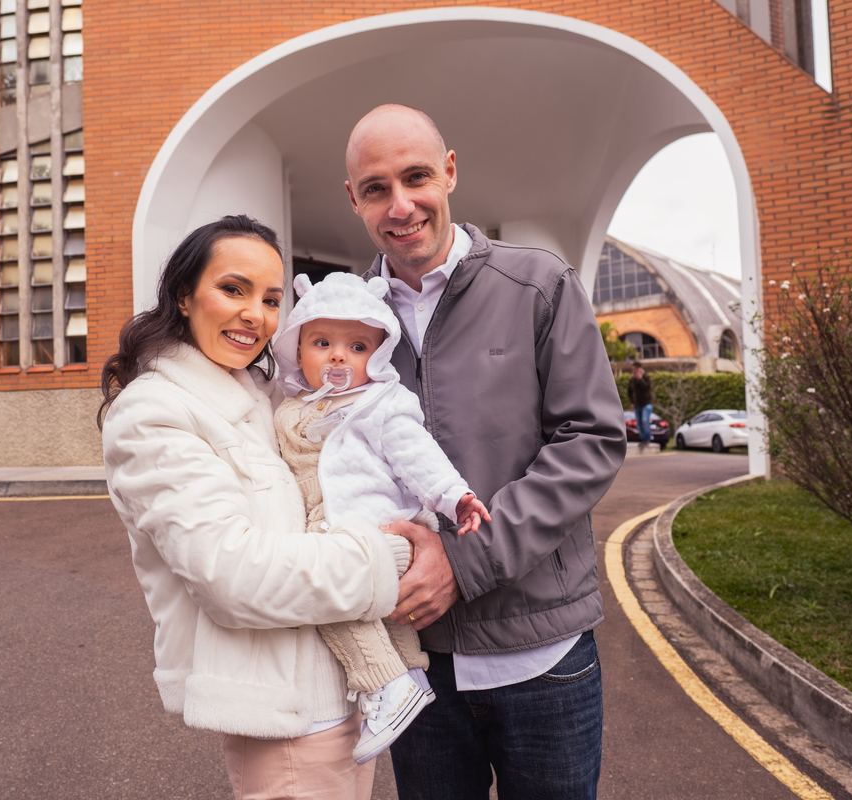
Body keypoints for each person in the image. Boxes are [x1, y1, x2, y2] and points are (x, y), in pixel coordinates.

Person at [342, 104, 627, 799]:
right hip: (416, 666)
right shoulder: (344, 321)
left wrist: (463, 562)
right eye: (376, 188)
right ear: (353, 200)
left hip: (546, 661)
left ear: (450, 172)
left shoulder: (539, 285)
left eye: (416, 177)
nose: (400, 205)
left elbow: (590, 440)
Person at [100, 215, 415, 800]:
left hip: (342, 698)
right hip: (288, 721)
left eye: (271, 300)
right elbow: (234, 576)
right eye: (233, 289)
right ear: (184, 297)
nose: (255, 315)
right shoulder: (154, 413)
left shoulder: (263, 395)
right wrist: (391, 555)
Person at [270, 269, 491, 764]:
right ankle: (410, 673)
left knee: (325, 593)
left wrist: (454, 497)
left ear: (380, 353)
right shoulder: (293, 404)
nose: (337, 357)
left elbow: (419, 455)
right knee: (380, 612)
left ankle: (385, 684)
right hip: (330, 522)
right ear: (297, 347)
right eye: (322, 342)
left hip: (372, 523)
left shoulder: (380, 402)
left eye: (357, 347)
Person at [628, 362, 655, 453]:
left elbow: (647, 388)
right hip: (637, 405)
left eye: (635, 368)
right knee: (639, 423)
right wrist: (632, 402)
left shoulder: (646, 377)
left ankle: (648, 438)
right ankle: (643, 439)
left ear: (640, 368)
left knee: (644, 420)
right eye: (633, 368)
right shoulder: (632, 379)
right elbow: (629, 391)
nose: (634, 370)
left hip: (647, 403)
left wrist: (640, 379)